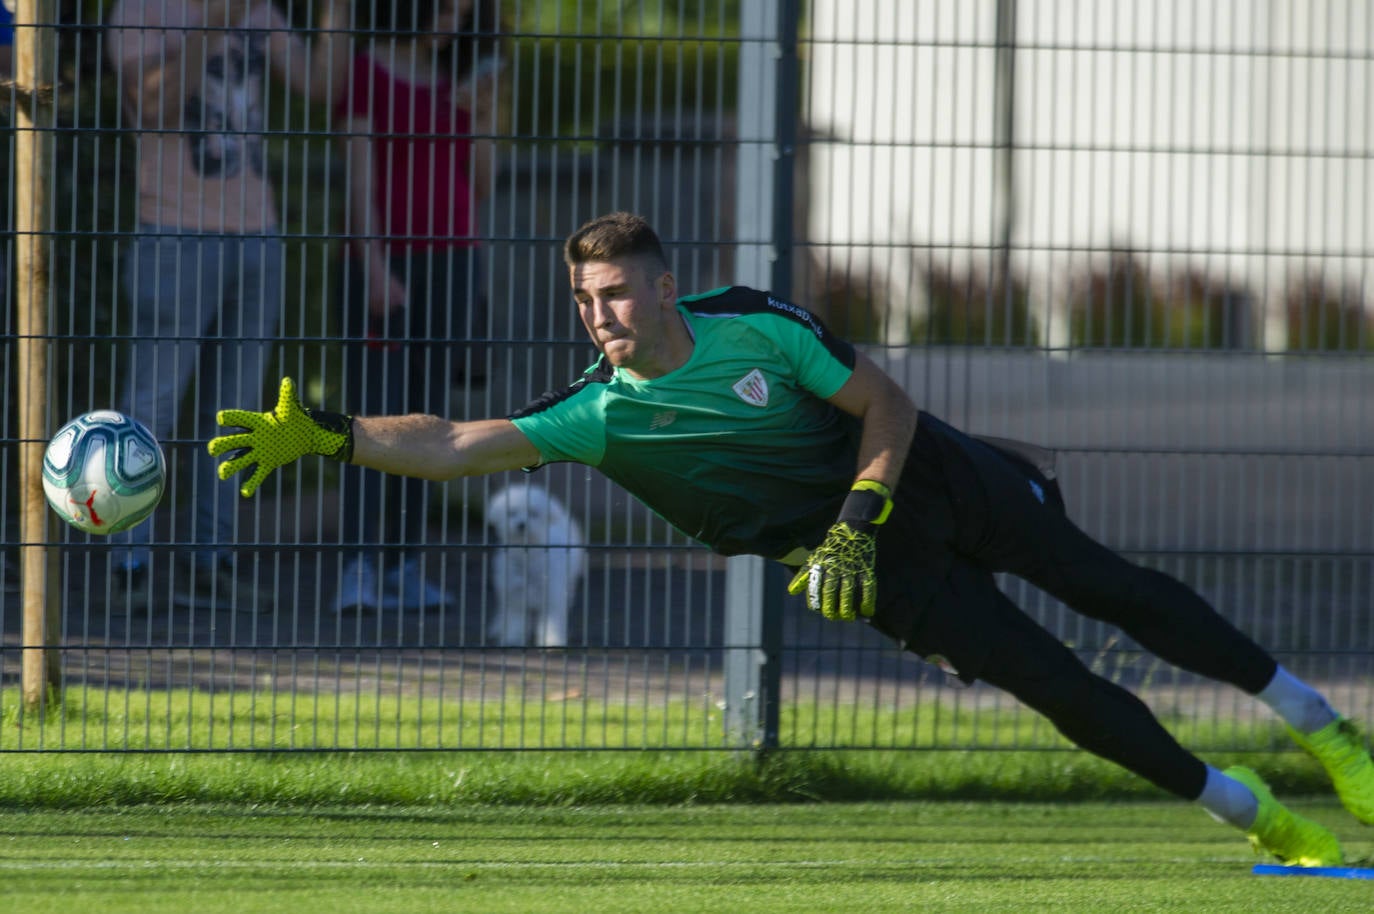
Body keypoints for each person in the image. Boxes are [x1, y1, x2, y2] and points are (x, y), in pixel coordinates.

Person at [208, 211, 1373, 867]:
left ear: (665, 290)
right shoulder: (598, 414)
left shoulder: (756, 326)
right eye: (584, 301)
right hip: (863, 570)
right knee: (1056, 685)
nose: (599, 316)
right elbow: (459, 440)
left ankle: (1323, 728)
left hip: (930, 485)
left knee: (1113, 588)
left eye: (615, 293)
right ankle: (1259, 817)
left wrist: (861, 516)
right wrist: (339, 434)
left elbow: (889, 407)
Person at [104, 0, 349, 608]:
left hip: (258, 236)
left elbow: (323, 86)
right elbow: (153, 106)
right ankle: (127, 569)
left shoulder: (258, 10)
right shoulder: (139, 9)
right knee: (152, 405)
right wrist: (216, 18)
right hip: (172, 233)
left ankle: (210, 562)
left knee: (236, 414)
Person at [331, 0, 500, 614]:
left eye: (462, 11)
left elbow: (480, 184)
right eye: (445, 7)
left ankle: (405, 565)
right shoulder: (365, 71)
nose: (453, 19)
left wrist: (483, 119)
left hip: (453, 263)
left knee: (433, 420)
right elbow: (358, 177)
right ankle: (357, 567)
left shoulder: (461, 81)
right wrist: (374, 266)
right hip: (380, 265)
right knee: (369, 417)